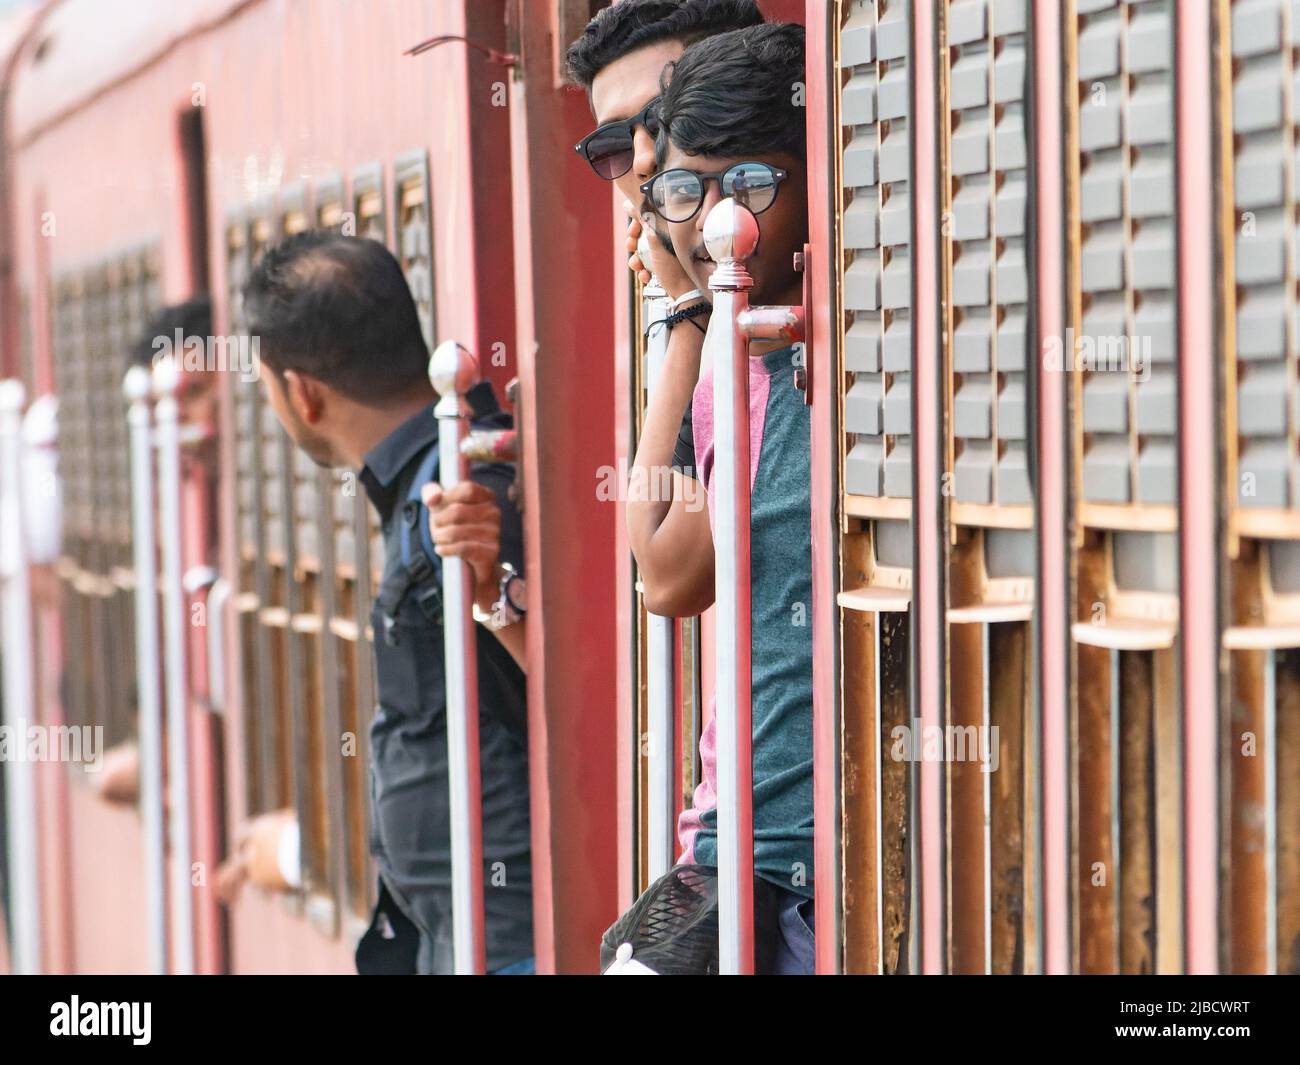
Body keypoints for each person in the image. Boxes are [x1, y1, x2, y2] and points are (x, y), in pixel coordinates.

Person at [242, 231, 533, 974]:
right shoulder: (434, 474)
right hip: (451, 934)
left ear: (302, 392)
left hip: (507, 937)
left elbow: (560, 681)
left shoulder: (470, 476)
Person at [606, 22, 815, 974]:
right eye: (686, 192)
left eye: (754, 186)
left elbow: (668, 572)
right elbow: (660, 566)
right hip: (728, 851)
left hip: (809, 867)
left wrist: (693, 308)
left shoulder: (821, 364)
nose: (716, 223)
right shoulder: (748, 360)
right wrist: (691, 316)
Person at [567, 0, 765, 617]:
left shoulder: (779, 313)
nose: (646, 159)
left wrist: (689, 306)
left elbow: (669, 576)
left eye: (662, 116)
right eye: (614, 144)